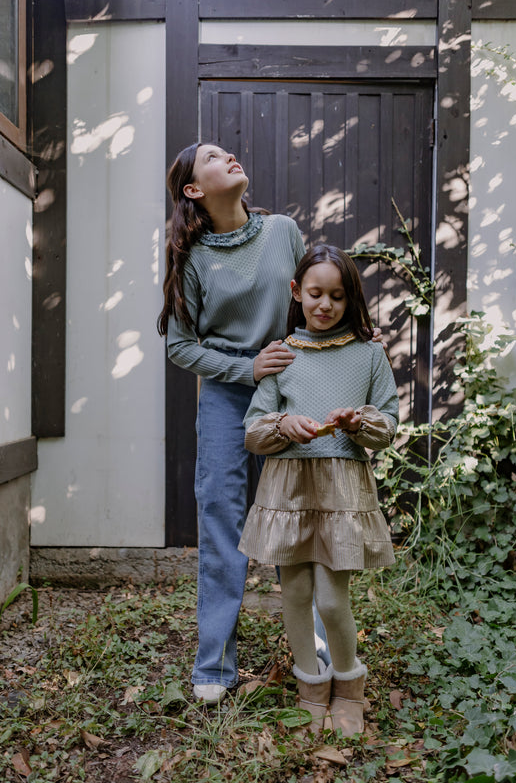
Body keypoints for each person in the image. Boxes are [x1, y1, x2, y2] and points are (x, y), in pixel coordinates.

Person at [157, 142, 384, 705]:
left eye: (228, 152)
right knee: (221, 519)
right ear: (194, 189)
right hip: (228, 395)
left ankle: (316, 646)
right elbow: (181, 347)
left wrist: (354, 334)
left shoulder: (282, 231)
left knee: (300, 509)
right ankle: (215, 664)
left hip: (292, 385)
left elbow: (312, 299)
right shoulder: (190, 257)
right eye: (213, 157)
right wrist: (246, 368)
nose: (230, 156)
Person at [238, 245, 399, 737]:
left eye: (337, 296)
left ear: (351, 299)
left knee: (330, 600)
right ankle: (311, 686)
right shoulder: (283, 355)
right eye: (315, 293)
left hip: (340, 492)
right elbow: (253, 430)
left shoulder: (369, 354)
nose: (325, 305)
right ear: (297, 293)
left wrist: (357, 421)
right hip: (289, 489)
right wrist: (283, 423)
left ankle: (349, 687)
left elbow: (388, 424)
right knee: (294, 593)